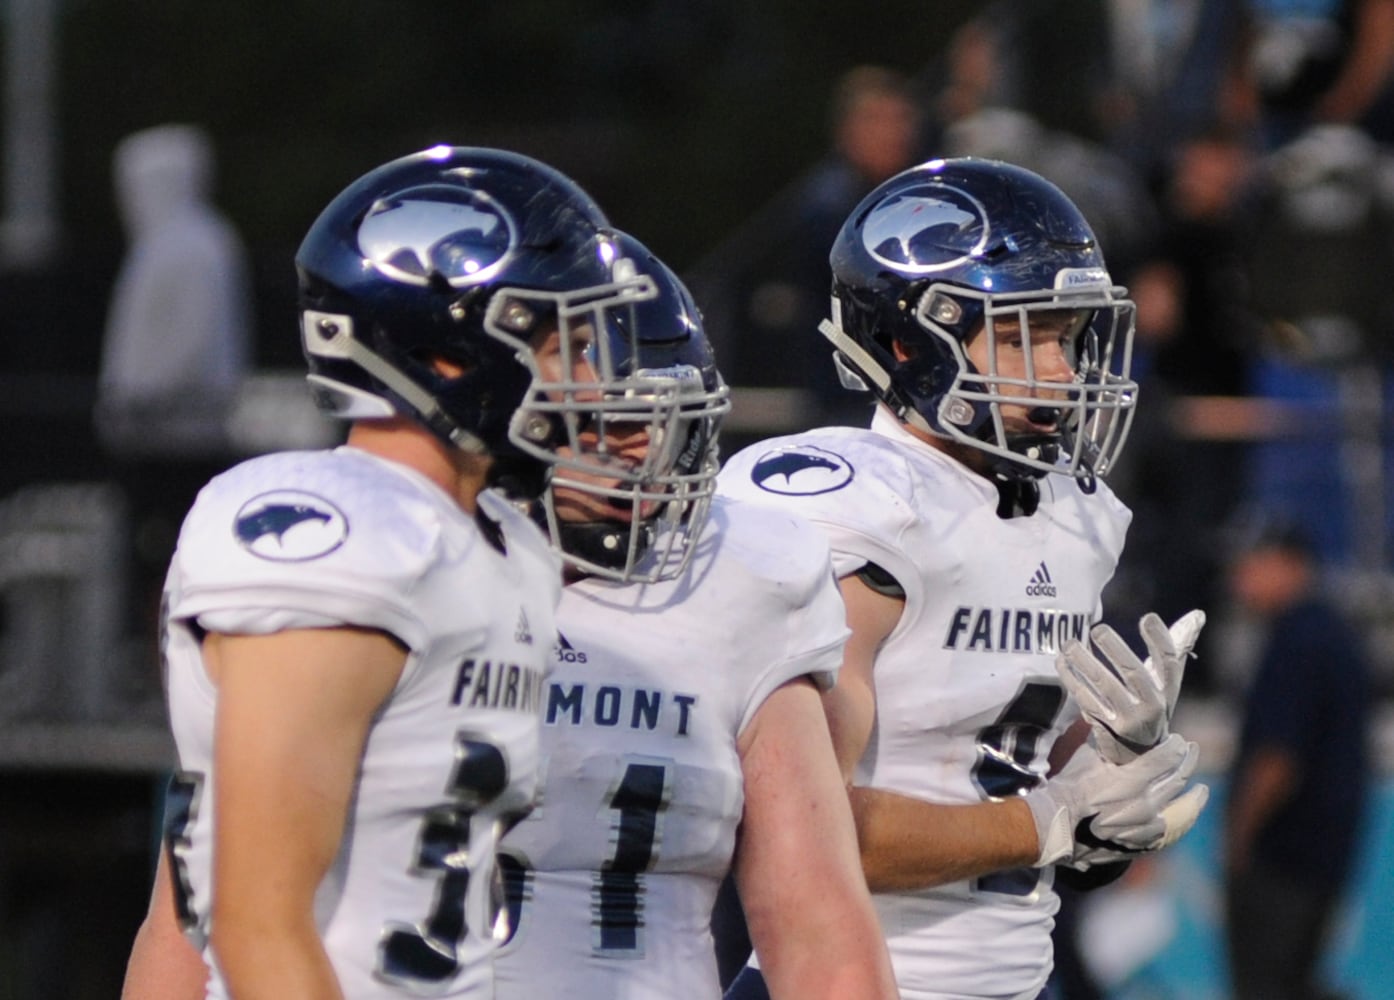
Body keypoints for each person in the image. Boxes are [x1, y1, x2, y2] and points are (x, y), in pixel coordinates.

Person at [119, 145, 687, 999]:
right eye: (564, 343)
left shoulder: (504, 544)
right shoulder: (340, 537)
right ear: (450, 355)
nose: (594, 381)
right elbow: (252, 919)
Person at [717, 156, 1211, 1000]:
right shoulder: (861, 512)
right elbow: (807, 832)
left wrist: (1108, 778)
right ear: (914, 341)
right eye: (1030, 335)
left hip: (1017, 978)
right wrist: (1048, 822)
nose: (1062, 370)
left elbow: (997, 769)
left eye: (1069, 335)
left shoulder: (1073, 513)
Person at [491, 234, 898, 999]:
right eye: (607, 419)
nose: (644, 452)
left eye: (662, 419)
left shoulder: (741, 570)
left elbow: (818, 925)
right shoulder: (380, 565)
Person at [1224, 517, 1373, 1000]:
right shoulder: (1330, 631)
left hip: (1283, 857)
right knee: (1296, 981)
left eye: (1249, 565)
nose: (1237, 580)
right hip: (1323, 854)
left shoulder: (1298, 640)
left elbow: (1277, 761)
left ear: (1287, 565)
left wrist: (1239, 838)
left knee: (1268, 985)